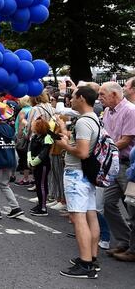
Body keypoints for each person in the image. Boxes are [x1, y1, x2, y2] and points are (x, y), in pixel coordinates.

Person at [50, 85, 100, 278]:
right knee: (90, 215)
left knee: (78, 217)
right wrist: (66, 136)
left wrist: (64, 146)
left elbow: (82, 152)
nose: (70, 99)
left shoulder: (83, 122)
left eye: (73, 96)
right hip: (85, 174)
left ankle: (86, 264)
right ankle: (91, 259)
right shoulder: (92, 119)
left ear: (81, 98)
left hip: (76, 174)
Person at [97, 82, 135, 262]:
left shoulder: (130, 110)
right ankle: (124, 240)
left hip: (127, 166)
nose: (99, 98)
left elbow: (126, 140)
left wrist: (105, 150)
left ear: (114, 94)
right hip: (115, 163)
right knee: (108, 203)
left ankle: (132, 249)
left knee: (132, 208)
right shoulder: (107, 111)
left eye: (102, 94)